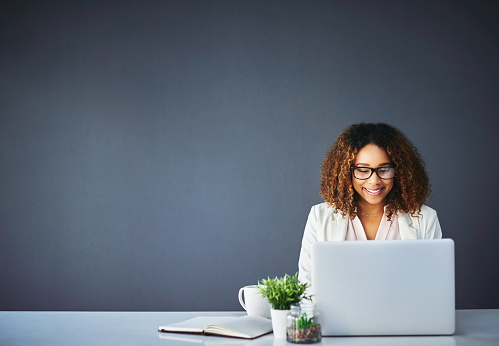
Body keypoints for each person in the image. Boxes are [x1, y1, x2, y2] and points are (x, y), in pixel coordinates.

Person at [298, 123, 442, 285]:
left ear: (399, 172)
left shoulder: (425, 218)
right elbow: (307, 285)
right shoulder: (319, 217)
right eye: (363, 170)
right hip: (336, 311)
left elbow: (433, 284)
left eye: (385, 169)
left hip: (404, 310)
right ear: (347, 172)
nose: (374, 181)